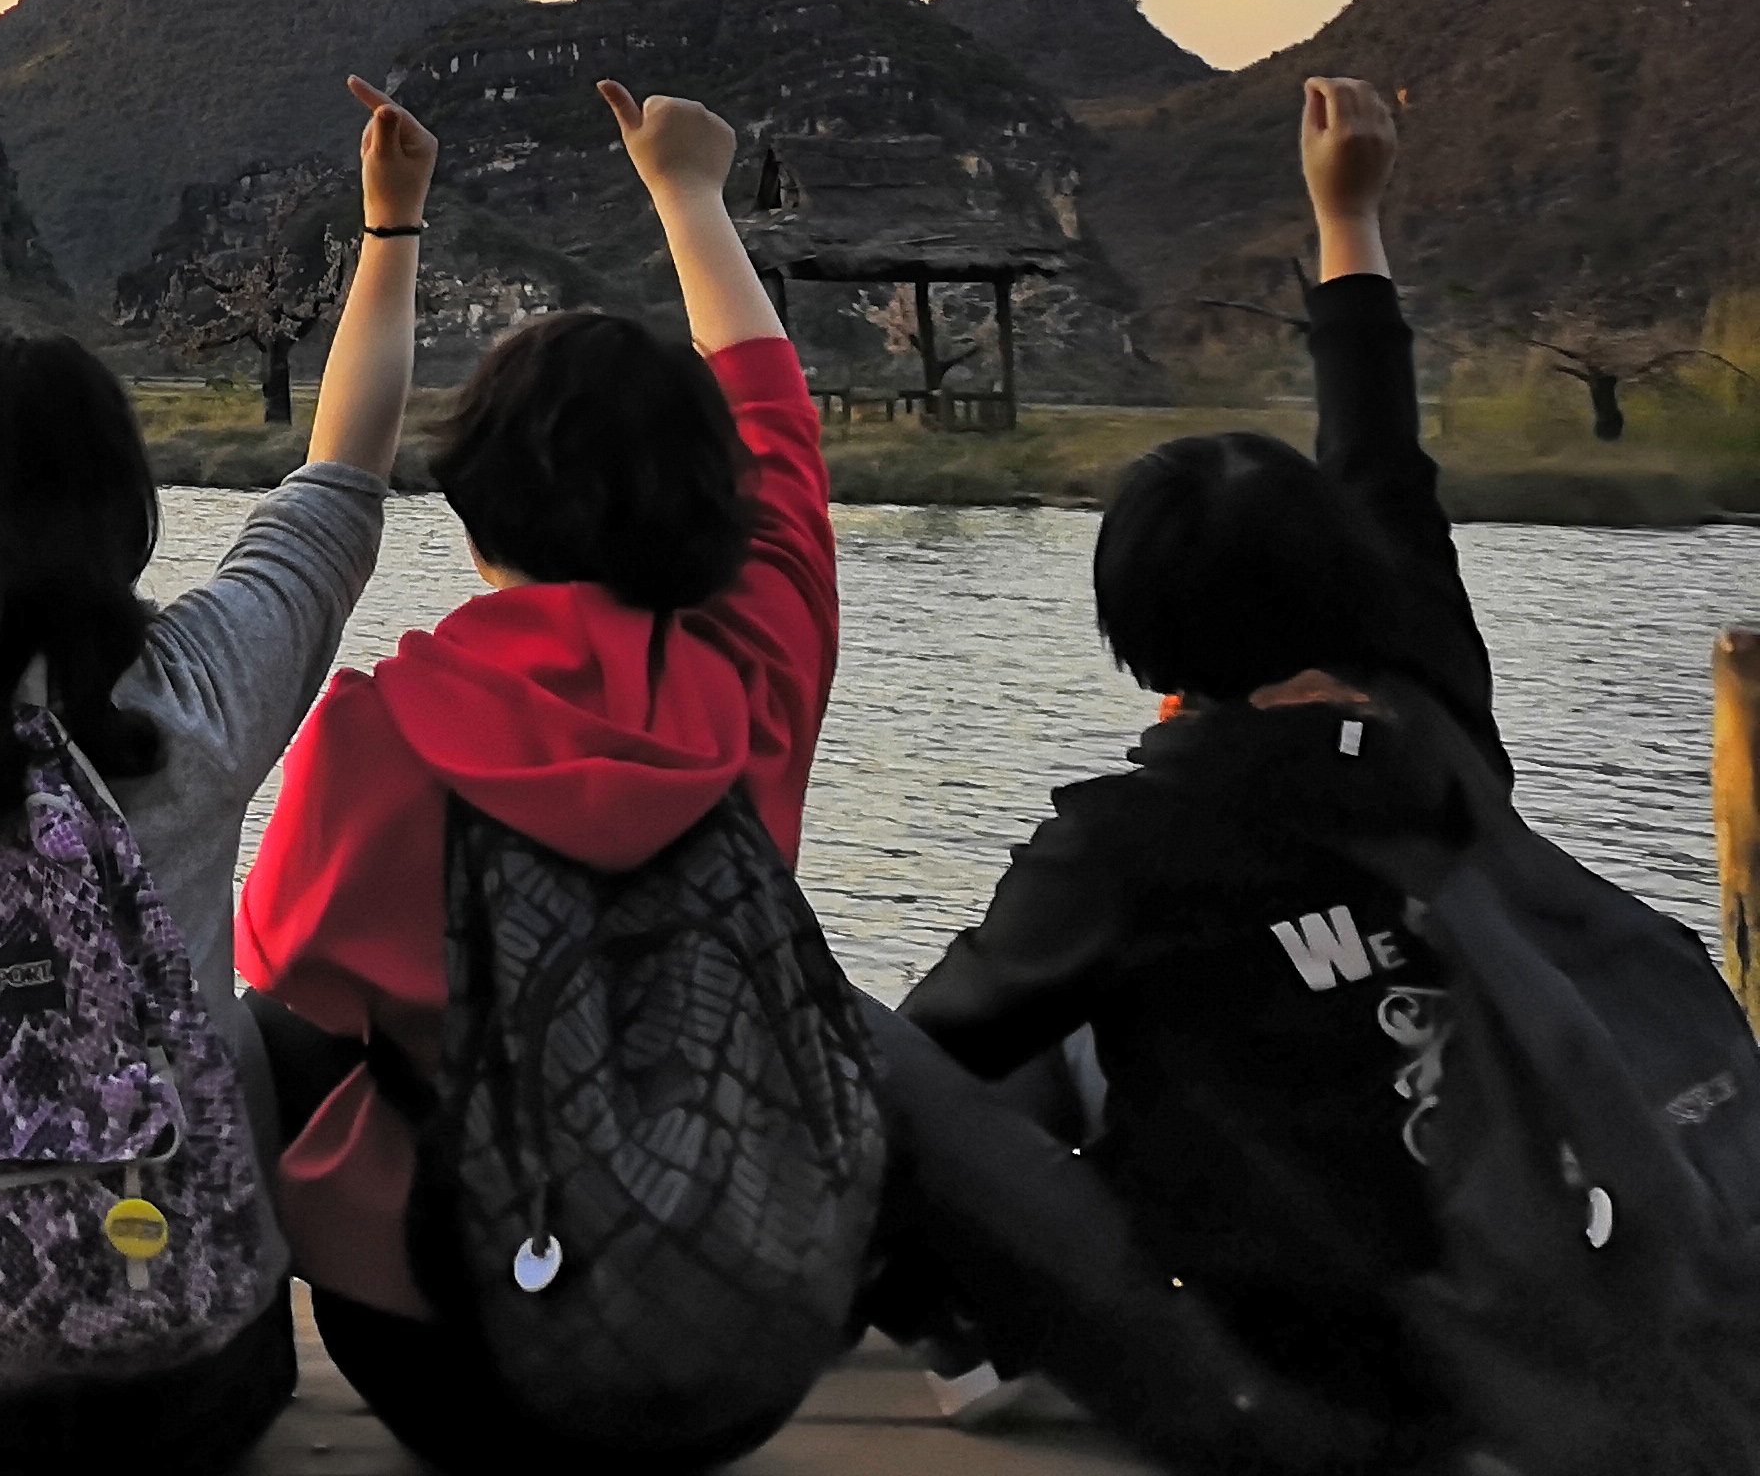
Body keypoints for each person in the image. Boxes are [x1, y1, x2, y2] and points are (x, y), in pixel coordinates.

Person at [0, 72, 434, 1469]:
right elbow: (344, 477)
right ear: (124, 504)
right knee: (263, 1027)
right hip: (196, 1386)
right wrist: (391, 226)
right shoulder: (204, 693)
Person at [233, 76, 841, 1476]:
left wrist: (391, 227)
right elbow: (779, 435)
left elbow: (292, 968)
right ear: (714, 507)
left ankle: (204, 1342)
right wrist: (690, 193)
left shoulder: (382, 728)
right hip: (725, 1365)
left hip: (452, 1372)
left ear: (474, 502)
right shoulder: (761, 676)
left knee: (255, 1031)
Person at [893, 76, 1488, 1448]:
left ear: (1141, 638)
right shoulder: (1445, 734)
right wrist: (1351, 214)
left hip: (1251, 1383)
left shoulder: (1129, 841)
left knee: (888, 1039)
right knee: (1096, 1006)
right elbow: (1386, 466)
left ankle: (960, 1326)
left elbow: (934, 1054)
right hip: (1482, 1322)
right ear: (1355, 582)